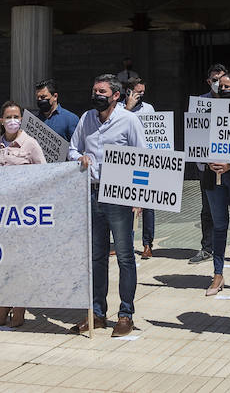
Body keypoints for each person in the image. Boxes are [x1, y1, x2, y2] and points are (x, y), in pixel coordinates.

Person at [70, 74, 146, 337]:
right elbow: (72, 149)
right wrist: (79, 157)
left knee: (125, 257)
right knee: (96, 257)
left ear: (116, 96)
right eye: (94, 91)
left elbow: (142, 158)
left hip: (120, 197)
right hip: (92, 194)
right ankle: (97, 313)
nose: (97, 95)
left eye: (102, 91)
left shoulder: (129, 120)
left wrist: (139, 198)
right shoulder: (86, 119)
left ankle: (125, 315)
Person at [0, 100, 46, 327]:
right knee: (2, 261)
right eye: (8, 117)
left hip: (23, 214)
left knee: (20, 262)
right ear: (1, 120)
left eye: (16, 116)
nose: (13, 120)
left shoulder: (31, 144)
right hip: (0, 214)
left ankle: (19, 305)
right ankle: (4, 303)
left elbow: (45, 175)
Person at [204, 73, 230, 297]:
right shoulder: (208, 112)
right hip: (214, 180)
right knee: (219, 227)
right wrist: (207, 160)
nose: (222, 89)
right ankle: (218, 274)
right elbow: (198, 143)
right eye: (219, 86)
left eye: (226, 86)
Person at [190, 63, 230, 266]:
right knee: (208, 209)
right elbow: (195, 136)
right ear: (209, 82)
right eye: (215, 80)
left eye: (223, 79)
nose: (219, 84)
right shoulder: (200, 103)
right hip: (207, 167)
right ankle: (207, 248)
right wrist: (205, 162)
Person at [123, 76, 157, 258]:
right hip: (125, 162)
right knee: (125, 203)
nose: (141, 96)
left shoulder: (149, 109)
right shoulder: (119, 109)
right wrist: (128, 108)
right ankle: (126, 241)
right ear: (127, 92)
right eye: (137, 93)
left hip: (145, 161)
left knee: (147, 203)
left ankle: (147, 243)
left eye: (143, 93)